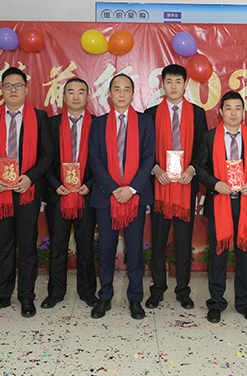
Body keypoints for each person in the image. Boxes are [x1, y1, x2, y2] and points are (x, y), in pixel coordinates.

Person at [0, 67, 53, 318]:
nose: (13, 90)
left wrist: (30, 177)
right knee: (5, 247)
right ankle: (2, 295)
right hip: (0, 193)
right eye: (8, 86)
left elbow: (47, 154)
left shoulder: (39, 117)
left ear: (26, 90)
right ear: (2, 90)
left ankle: (26, 296)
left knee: (28, 247)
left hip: (26, 191)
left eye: (18, 86)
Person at [88, 74, 156, 321]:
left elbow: (149, 157)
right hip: (106, 197)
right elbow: (94, 158)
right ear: (109, 94)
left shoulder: (145, 122)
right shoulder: (99, 123)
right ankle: (105, 296)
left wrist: (132, 189)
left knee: (135, 250)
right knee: (105, 249)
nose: (121, 94)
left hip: (135, 197)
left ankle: (135, 297)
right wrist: (113, 188)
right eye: (117, 89)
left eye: (126, 89)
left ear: (133, 94)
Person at [194, 91, 247, 324]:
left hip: (246, 204)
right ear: (220, 111)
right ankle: (216, 303)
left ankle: (245, 303)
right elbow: (200, 168)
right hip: (219, 203)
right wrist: (215, 184)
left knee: (245, 255)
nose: (233, 113)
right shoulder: (209, 137)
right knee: (218, 255)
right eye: (229, 108)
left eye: (238, 108)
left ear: (243, 111)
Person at [144, 64, 207, 311]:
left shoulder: (197, 113)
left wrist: (192, 168)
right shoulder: (151, 113)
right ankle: (157, 289)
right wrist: (155, 169)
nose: (173, 86)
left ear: (185, 84)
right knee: (158, 242)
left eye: (178, 81)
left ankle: (183, 290)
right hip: (160, 187)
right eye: (168, 81)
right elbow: (145, 148)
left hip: (185, 186)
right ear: (162, 84)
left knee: (183, 242)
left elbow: (203, 148)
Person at [40, 78, 99, 310]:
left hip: (86, 195)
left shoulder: (98, 124)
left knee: (86, 248)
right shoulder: (51, 124)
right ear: (63, 97)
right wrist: (55, 184)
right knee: (57, 247)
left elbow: (103, 161)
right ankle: (55, 292)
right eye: (71, 92)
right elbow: (44, 158)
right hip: (58, 194)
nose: (76, 96)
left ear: (87, 96)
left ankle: (87, 292)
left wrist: (90, 184)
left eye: (80, 92)